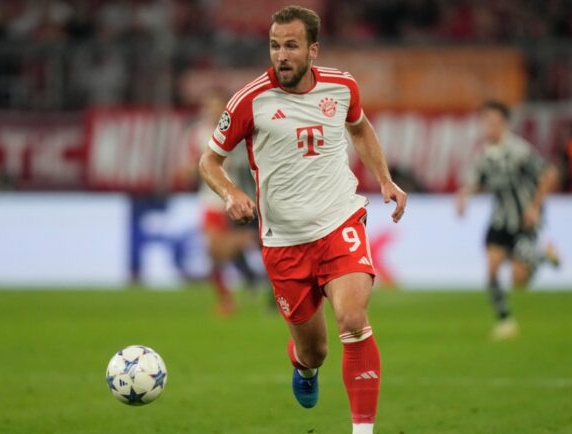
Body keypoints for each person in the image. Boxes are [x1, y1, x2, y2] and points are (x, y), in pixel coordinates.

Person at [198, 6, 407, 434]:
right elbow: (209, 161)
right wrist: (231, 193)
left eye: (291, 46)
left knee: (353, 319)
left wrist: (385, 180)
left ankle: (362, 430)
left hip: (339, 221)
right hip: (284, 242)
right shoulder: (249, 100)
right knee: (315, 352)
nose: (281, 56)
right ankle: (303, 366)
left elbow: (361, 129)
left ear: (313, 49)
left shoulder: (342, 86)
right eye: (275, 46)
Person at [457, 101, 560, 340]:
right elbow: (477, 182)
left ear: (503, 124)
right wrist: (464, 195)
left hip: (524, 219)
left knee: (519, 278)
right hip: (500, 219)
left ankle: (543, 256)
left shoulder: (519, 150)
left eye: (494, 123)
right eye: (486, 123)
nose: (489, 128)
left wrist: (535, 207)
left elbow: (549, 174)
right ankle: (506, 321)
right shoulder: (484, 155)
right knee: (492, 268)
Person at [182, 90, 260, 315]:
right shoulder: (198, 133)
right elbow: (193, 164)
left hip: (236, 195)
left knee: (222, 249)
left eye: (216, 106)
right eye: (208, 106)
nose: (211, 111)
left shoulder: (238, 130)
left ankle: (251, 250)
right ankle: (227, 299)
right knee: (213, 251)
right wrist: (190, 171)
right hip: (209, 198)